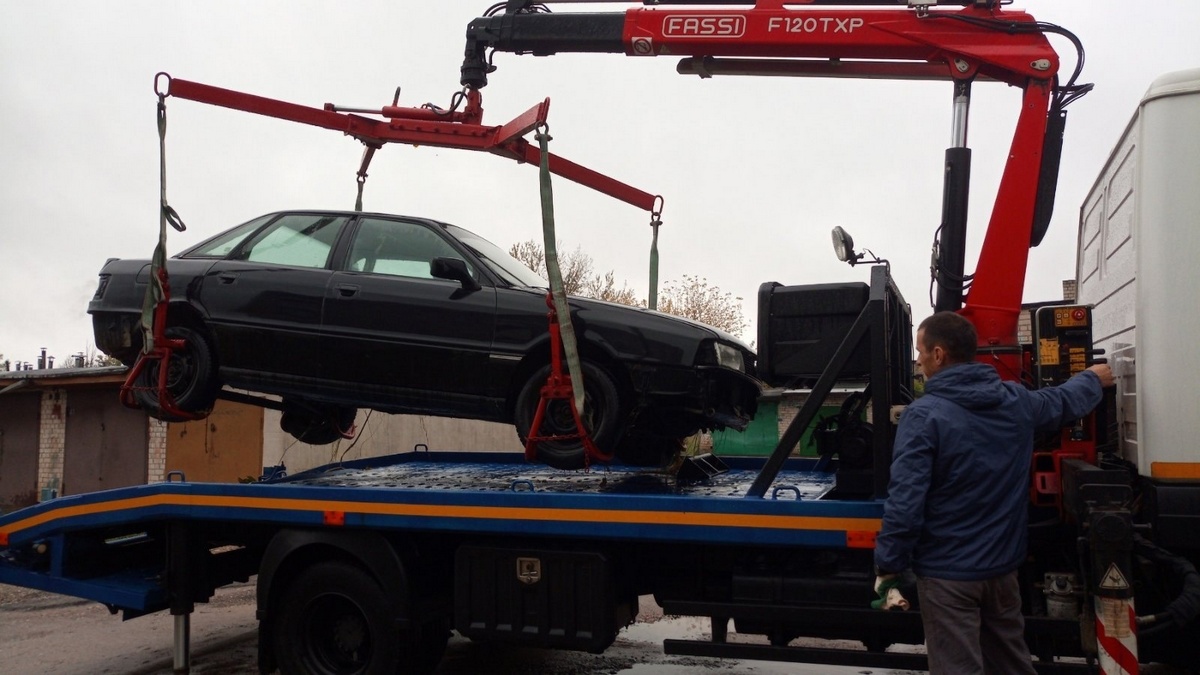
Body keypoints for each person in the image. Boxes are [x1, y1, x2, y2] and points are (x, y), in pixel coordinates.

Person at [873, 311, 1113, 674]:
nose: (918, 359)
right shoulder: (1015, 401)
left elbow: (905, 502)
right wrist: (1092, 379)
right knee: (1011, 664)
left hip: (947, 575)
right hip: (1002, 572)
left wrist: (889, 566)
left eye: (920, 350)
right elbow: (1061, 401)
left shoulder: (924, 417)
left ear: (938, 355)